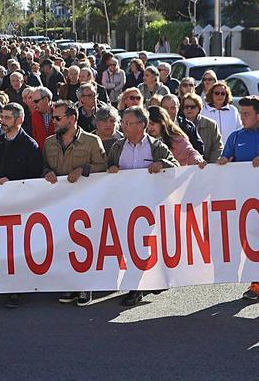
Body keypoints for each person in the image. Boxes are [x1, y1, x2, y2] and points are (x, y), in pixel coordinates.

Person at [217, 96, 259, 301]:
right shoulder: (235, 137)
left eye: (246, 114)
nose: (242, 117)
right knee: (251, 239)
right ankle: (256, 283)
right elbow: (226, 158)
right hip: (245, 199)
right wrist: (222, 161)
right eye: (241, 113)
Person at [107, 106, 178, 306]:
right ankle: (144, 281)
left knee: (142, 246)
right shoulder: (117, 147)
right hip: (124, 205)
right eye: (123, 122)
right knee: (128, 245)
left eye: (128, 123)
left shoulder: (157, 147)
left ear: (142, 125)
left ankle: (136, 288)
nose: (123, 126)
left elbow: (176, 167)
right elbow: (106, 170)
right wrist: (111, 169)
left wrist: (162, 163)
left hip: (148, 206)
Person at [43, 101, 107, 307]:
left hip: (86, 203)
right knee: (63, 244)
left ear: (72, 119)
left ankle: (86, 285)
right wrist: (46, 172)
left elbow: (104, 166)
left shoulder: (92, 141)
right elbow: (42, 166)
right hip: (59, 203)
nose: (53, 121)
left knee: (85, 243)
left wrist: (83, 169)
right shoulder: (49, 143)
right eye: (53, 117)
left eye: (58, 118)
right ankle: (69, 284)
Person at [180, 93, 224, 163]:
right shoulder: (177, 125)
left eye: (192, 107)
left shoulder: (211, 125)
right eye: (186, 107)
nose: (189, 109)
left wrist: (210, 165)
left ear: (199, 108)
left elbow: (217, 148)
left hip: (207, 164)